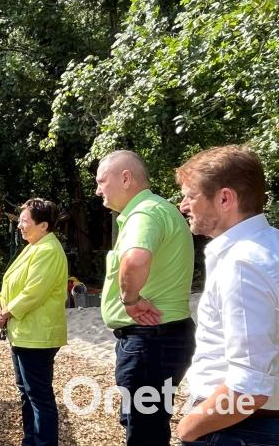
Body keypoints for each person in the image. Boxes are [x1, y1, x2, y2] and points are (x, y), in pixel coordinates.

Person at [174, 145, 279, 444]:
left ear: (224, 198)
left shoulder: (243, 263)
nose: (183, 205)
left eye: (190, 196)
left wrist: (190, 428)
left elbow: (248, 387)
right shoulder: (270, 246)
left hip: (238, 430)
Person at [95, 150, 195, 445]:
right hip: (159, 338)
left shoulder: (146, 212)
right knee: (149, 424)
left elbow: (135, 261)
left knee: (143, 431)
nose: (98, 190)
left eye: (102, 181)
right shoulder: (157, 210)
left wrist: (129, 300)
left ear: (125, 178)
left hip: (150, 340)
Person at [0, 198, 68, 446]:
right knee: (27, 393)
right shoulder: (33, 245)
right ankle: (30, 440)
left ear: (43, 225)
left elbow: (34, 292)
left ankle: (44, 442)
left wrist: (7, 312)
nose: (20, 226)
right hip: (23, 333)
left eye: (25, 221)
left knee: (39, 396)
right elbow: (12, 284)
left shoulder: (47, 250)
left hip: (37, 335)